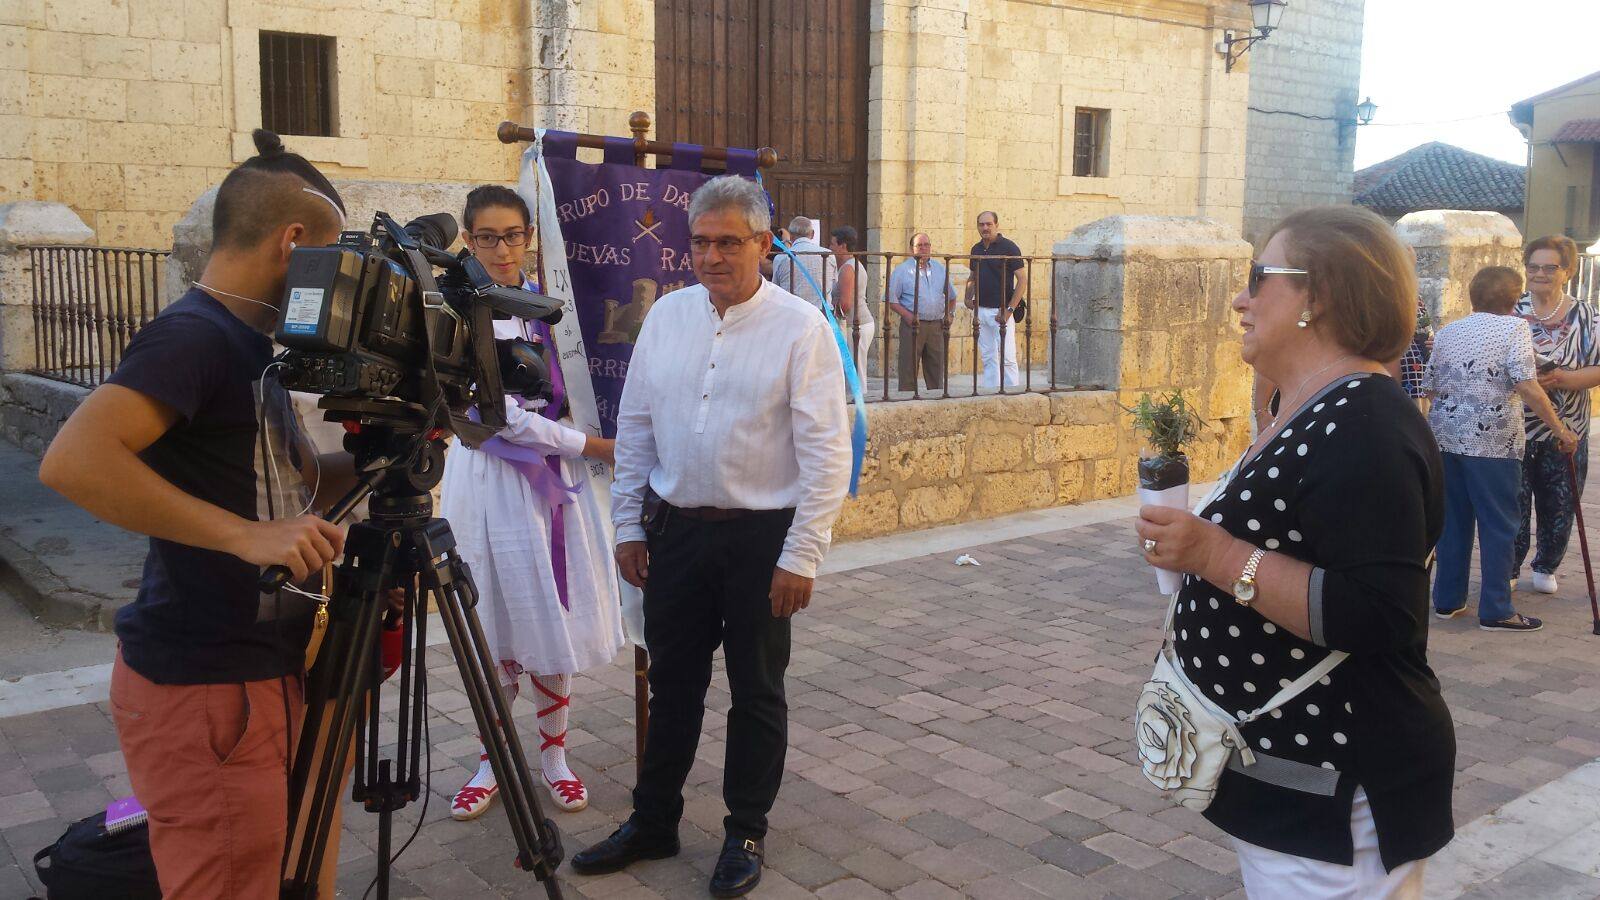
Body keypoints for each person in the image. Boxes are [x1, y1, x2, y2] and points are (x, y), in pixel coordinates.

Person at [37, 130, 353, 899]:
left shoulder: (245, 345)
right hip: (209, 685)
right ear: (294, 243)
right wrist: (247, 537)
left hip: (251, 673)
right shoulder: (194, 336)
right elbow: (74, 460)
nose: (336, 282)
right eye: (333, 260)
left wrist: (383, 452)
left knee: (268, 871)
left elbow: (270, 483)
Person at [1135, 206, 1453, 898]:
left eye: (1259, 278)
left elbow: (1379, 612)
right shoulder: (1306, 407)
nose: (1241, 299)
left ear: (1320, 295)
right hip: (1296, 785)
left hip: (1339, 795)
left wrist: (1216, 556)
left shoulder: (1363, 425)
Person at [571, 175, 851, 898]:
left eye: (730, 242)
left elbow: (828, 453)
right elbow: (634, 427)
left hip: (762, 541)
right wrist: (627, 524)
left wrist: (802, 555)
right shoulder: (666, 317)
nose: (713, 256)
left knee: (757, 691)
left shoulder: (801, 329)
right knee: (674, 688)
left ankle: (745, 830)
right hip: (678, 536)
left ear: (763, 244)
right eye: (700, 242)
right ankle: (654, 820)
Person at [438, 185, 625, 819]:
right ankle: (493, 759)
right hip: (492, 483)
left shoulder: (548, 307)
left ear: (529, 238)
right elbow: (495, 416)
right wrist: (591, 444)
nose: (501, 249)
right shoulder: (455, 312)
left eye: (513, 235)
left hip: (554, 485)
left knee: (552, 612)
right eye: (487, 237)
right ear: (467, 239)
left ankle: (553, 756)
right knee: (497, 615)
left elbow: (571, 382)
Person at [1427, 266, 1575, 632]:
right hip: (1493, 443)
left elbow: (1430, 385)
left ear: (1472, 296)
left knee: (1453, 523)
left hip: (1446, 440)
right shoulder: (1515, 328)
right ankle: (1496, 608)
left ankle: (1447, 601)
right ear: (1514, 299)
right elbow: (1526, 385)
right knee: (1499, 525)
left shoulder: (1448, 332)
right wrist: (1560, 428)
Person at [1513, 234, 1598, 595]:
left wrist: (1562, 378)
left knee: (1561, 502)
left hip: (1568, 428)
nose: (1540, 274)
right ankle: (1509, 566)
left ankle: (1546, 564)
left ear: (1567, 271)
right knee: (1513, 504)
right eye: (1533, 266)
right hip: (1514, 428)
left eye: (1550, 267)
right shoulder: (1509, 311)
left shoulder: (1588, 315)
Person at [889, 232, 958, 391]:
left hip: (936, 326)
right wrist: (907, 316)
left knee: (936, 368)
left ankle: (936, 402)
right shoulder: (902, 270)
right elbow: (891, 300)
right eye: (919, 245)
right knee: (908, 368)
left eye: (926, 245)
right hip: (913, 325)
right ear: (911, 249)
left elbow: (952, 297)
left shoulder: (940, 269)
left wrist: (950, 315)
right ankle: (907, 402)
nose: (923, 248)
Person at [964, 210, 1024, 388]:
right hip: (981, 310)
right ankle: (990, 394)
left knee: (1007, 358)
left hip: (1001, 311)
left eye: (989, 224)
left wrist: (1010, 310)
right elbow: (972, 277)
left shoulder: (1009, 247)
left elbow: (1022, 280)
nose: (985, 228)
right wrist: (968, 298)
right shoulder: (976, 249)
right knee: (988, 357)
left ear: (996, 225)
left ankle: (1012, 396)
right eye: (981, 224)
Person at [828, 225, 875, 374]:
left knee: (855, 372)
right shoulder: (853, 265)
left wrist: (829, 309)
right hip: (858, 324)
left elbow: (845, 304)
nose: (830, 248)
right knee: (855, 369)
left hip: (856, 325)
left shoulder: (848, 268)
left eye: (833, 244)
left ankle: (858, 398)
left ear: (843, 246)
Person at [770, 215, 834, 311]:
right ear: (812, 234)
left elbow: (776, 288)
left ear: (790, 236)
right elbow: (833, 285)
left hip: (792, 313)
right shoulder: (828, 255)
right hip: (822, 314)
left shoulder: (781, 258)